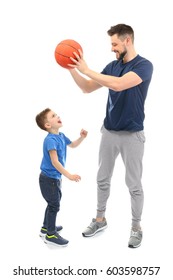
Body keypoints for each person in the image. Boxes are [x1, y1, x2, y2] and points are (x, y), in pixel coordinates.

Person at [68, 24, 153, 248]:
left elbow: (117, 85)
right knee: (102, 178)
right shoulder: (112, 66)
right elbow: (87, 87)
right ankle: (100, 219)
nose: (112, 49)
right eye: (111, 44)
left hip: (132, 135)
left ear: (128, 41)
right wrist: (71, 68)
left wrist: (87, 69)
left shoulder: (144, 66)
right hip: (109, 131)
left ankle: (136, 228)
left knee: (133, 184)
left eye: (115, 44)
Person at [35, 108, 88, 246]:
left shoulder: (61, 136)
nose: (58, 116)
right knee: (54, 205)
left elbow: (73, 145)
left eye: (57, 114)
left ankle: (46, 228)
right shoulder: (50, 140)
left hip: (54, 178)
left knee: (52, 203)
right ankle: (50, 235)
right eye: (53, 116)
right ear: (48, 125)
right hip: (48, 179)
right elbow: (55, 161)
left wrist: (81, 137)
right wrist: (69, 175)